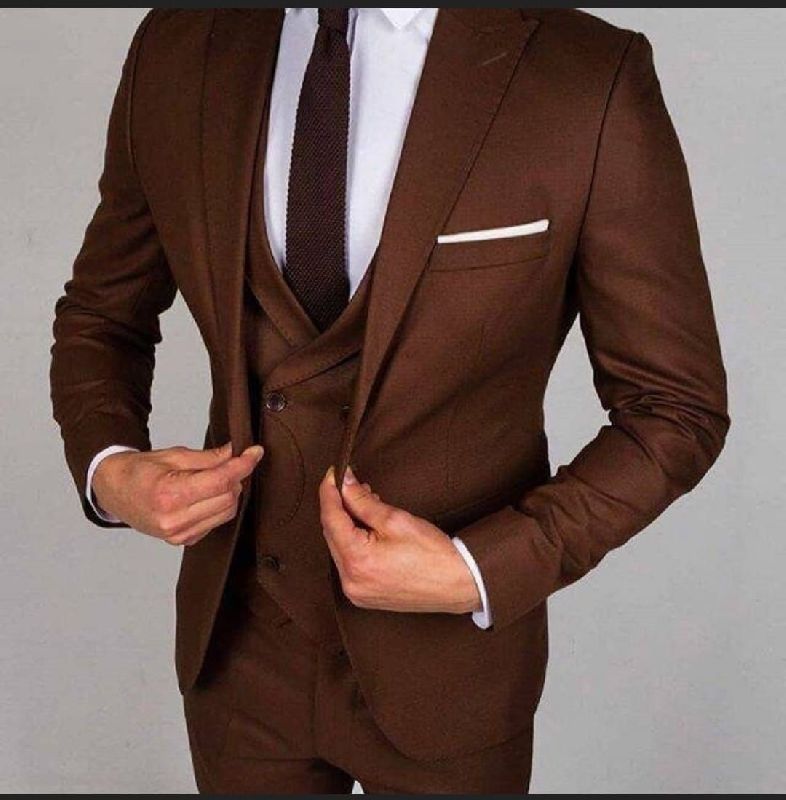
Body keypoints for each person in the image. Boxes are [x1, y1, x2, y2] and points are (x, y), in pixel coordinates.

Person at [50, 8, 729, 794]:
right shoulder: (178, 44)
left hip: (452, 675)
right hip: (237, 655)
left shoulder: (586, 74)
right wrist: (109, 469)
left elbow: (675, 407)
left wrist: (482, 569)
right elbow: (102, 315)